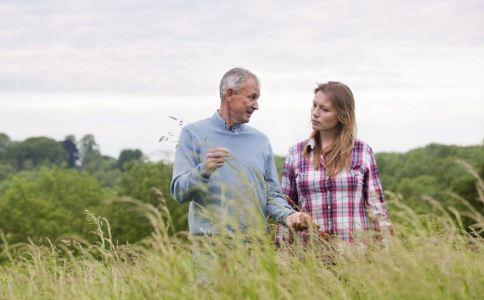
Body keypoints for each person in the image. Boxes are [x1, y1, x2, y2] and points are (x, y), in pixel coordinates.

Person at [170, 67, 312, 237]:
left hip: (255, 249)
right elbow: (179, 193)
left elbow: (272, 195)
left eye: (257, 98)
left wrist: (288, 215)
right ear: (230, 94)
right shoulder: (192, 133)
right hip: (209, 249)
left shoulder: (261, 141)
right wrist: (204, 170)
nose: (256, 105)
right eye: (252, 97)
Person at [275, 81, 392, 246]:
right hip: (309, 258)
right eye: (314, 106)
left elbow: (377, 209)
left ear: (342, 114)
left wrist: (389, 254)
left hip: (355, 257)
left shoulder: (363, 152)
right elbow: (286, 209)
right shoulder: (296, 154)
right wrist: (282, 255)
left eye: (324, 109)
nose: (315, 113)